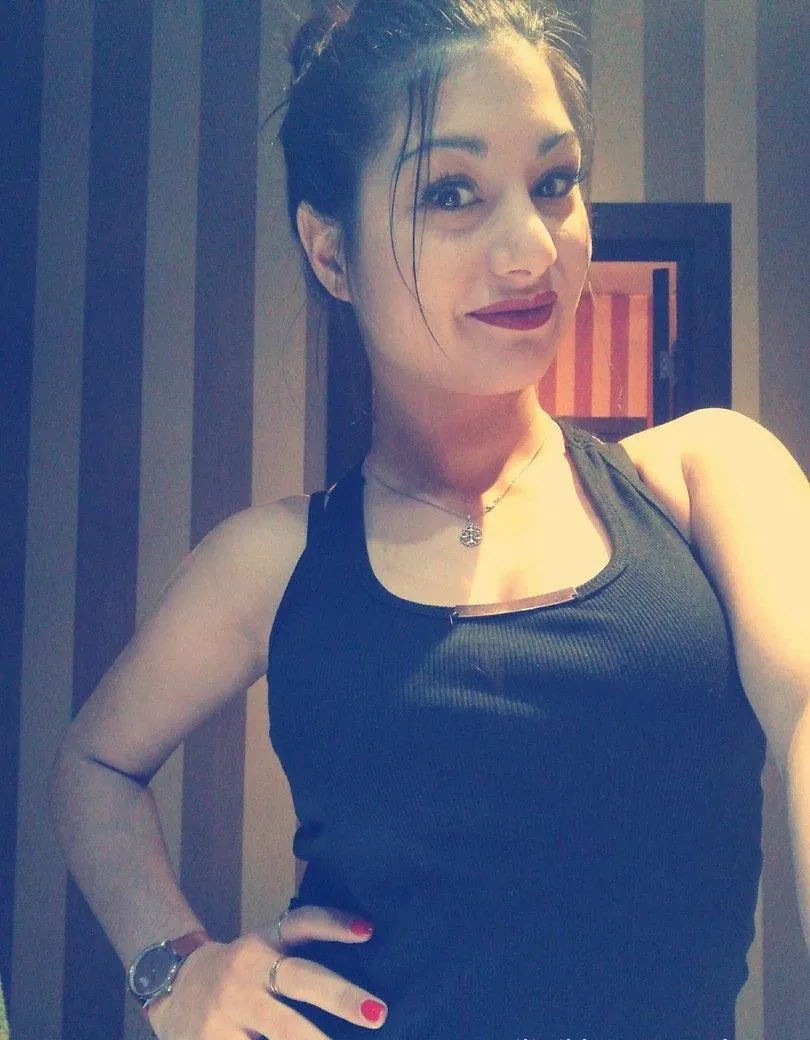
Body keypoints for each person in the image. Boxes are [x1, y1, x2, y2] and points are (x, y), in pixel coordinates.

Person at [50, 1, 810, 1038]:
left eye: (554, 181)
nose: (531, 247)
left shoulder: (709, 478)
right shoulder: (272, 563)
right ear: (331, 253)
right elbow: (92, 768)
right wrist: (173, 972)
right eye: (452, 192)